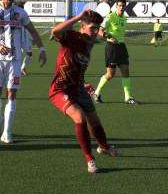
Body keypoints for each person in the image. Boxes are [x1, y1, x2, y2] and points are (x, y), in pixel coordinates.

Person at [49, 9, 122, 173]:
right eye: (92, 28)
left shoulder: (89, 44)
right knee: (80, 117)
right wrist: (78, 17)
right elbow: (55, 31)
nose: (96, 32)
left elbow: (76, 68)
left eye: (98, 28)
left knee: (94, 120)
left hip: (78, 88)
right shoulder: (71, 36)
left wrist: (84, 83)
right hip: (60, 89)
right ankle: (90, 159)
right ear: (82, 26)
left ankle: (104, 147)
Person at [0, 0, 47, 143]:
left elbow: (33, 31)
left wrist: (42, 50)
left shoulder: (20, 13)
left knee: (12, 94)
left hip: (15, 61)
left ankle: (7, 132)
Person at [93, 0, 140, 104]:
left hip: (122, 46)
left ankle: (128, 98)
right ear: (116, 7)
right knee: (110, 74)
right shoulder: (110, 17)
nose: (122, 7)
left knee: (126, 71)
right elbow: (99, 30)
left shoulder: (124, 18)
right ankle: (97, 93)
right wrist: (109, 36)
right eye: (120, 6)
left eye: (123, 6)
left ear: (125, 7)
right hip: (111, 47)